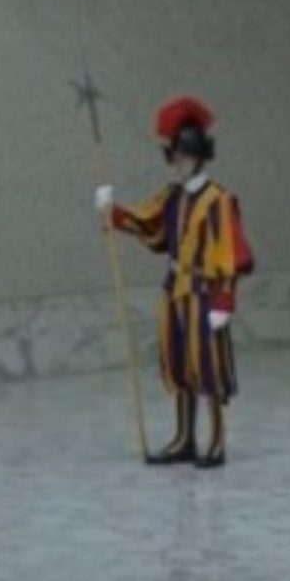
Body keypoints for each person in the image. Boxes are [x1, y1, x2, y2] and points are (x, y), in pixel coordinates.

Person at [94, 95, 254, 469]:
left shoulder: (219, 201)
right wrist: (113, 212)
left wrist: (224, 301)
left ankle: (215, 441)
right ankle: (184, 438)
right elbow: (150, 225)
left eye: (179, 156)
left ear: (195, 155)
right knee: (179, 366)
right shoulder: (172, 197)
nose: (175, 164)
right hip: (175, 294)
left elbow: (230, 255)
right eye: (172, 157)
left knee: (208, 369)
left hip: (204, 295)